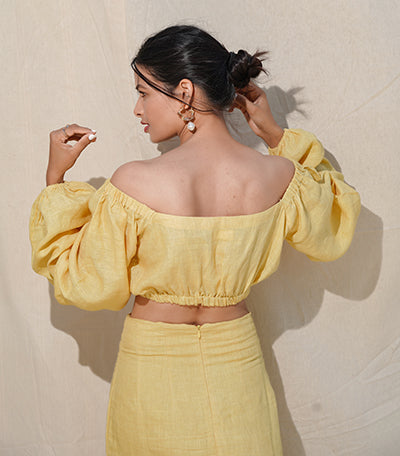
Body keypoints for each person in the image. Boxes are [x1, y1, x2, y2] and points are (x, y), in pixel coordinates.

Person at [29, 24, 361, 456]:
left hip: (151, 368)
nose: (137, 108)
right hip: (236, 363)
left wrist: (55, 180)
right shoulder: (279, 177)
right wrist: (274, 135)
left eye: (143, 93)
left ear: (184, 92)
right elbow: (334, 219)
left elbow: (85, 283)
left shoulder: (133, 182)